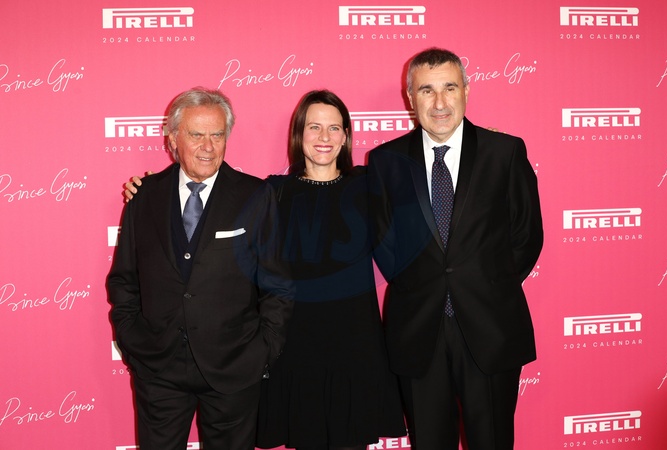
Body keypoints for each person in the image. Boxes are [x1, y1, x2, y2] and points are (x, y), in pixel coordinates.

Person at [123, 90, 405, 450]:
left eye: (334, 128)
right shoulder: (272, 192)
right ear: (298, 133)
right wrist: (150, 188)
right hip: (297, 347)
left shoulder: (369, 186)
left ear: (347, 135)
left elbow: (418, 192)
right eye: (314, 127)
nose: (324, 136)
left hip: (354, 347)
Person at [367, 48, 544, 450]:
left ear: (466, 90)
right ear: (410, 97)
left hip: (491, 329)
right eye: (426, 90)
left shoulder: (505, 152)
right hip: (418, 332)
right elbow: (384, 242)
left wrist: (486, 284)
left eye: (449, 87)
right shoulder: (385, 161)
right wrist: (423, 284)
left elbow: (527, 235)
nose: (440, 102)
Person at [107, 87, 294, 449]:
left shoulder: (255, 196)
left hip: (234, 368)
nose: (208, 146)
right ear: (173, 139)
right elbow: (124, 279)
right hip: (158, 368)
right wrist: (133, 341)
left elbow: (278, 284)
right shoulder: (144, 196)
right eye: (196, 135)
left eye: (217, 135)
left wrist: (262, 351)